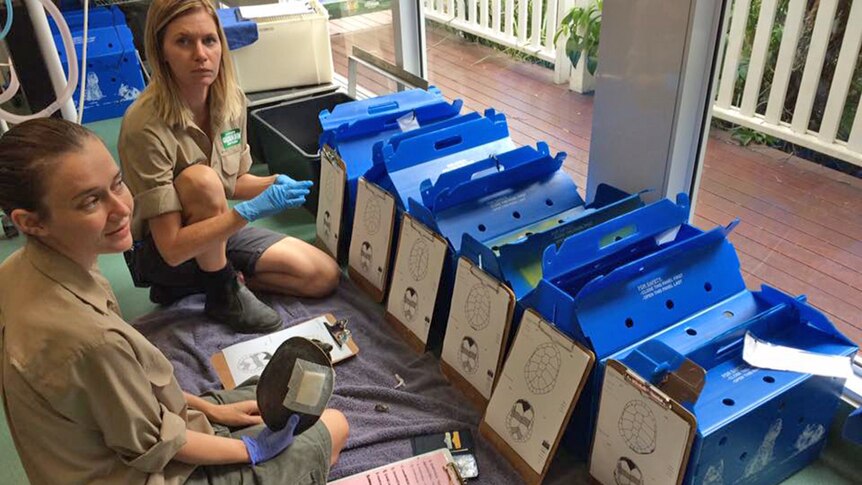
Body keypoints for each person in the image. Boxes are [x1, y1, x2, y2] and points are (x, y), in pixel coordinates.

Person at [0, 118, 349, 485]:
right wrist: (251, 450)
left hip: (126, 433)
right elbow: (158, 445)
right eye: (90, 201)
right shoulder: (89, 340)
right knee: (333, 426)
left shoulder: (18, 270)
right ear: (31, 222)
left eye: (118, 184)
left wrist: (215, 412)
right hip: (147, 468)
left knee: (274, 399)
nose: (121, 208)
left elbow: (129, 398)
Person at [118, 0, 339, 333]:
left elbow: (232, 182)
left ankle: (209, 280)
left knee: (322, 275)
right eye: (183, 41)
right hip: (164, 252)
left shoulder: (231, 100)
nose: (201, 54)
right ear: (161, 50)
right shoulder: (143, 126)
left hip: (214, 232)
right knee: (200, 181)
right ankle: (221, 290)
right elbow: (173, 248)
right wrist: (247, 212)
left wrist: (275, 183)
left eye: (209, 40)